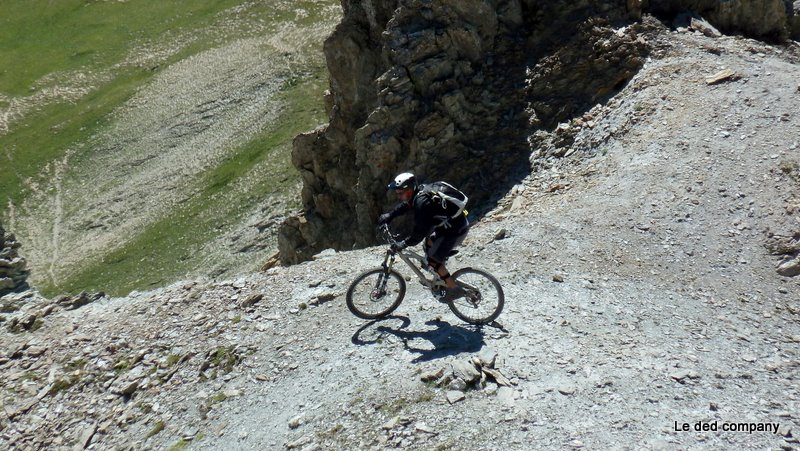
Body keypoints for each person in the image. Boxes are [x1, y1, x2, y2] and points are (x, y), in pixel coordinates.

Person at [378, 172, 470, 302]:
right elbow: (406, 206)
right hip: (452, 225)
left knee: (433, 260)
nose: (399, 196)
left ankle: (453, 289)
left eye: (401, 193)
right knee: (428, 243)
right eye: (397, 193)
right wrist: (390, 215)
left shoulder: (422, 203)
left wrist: (404, 243)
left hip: (455, 230)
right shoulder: (419, 192)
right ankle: (439, 274)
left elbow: (419, 233)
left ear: (410, 190)